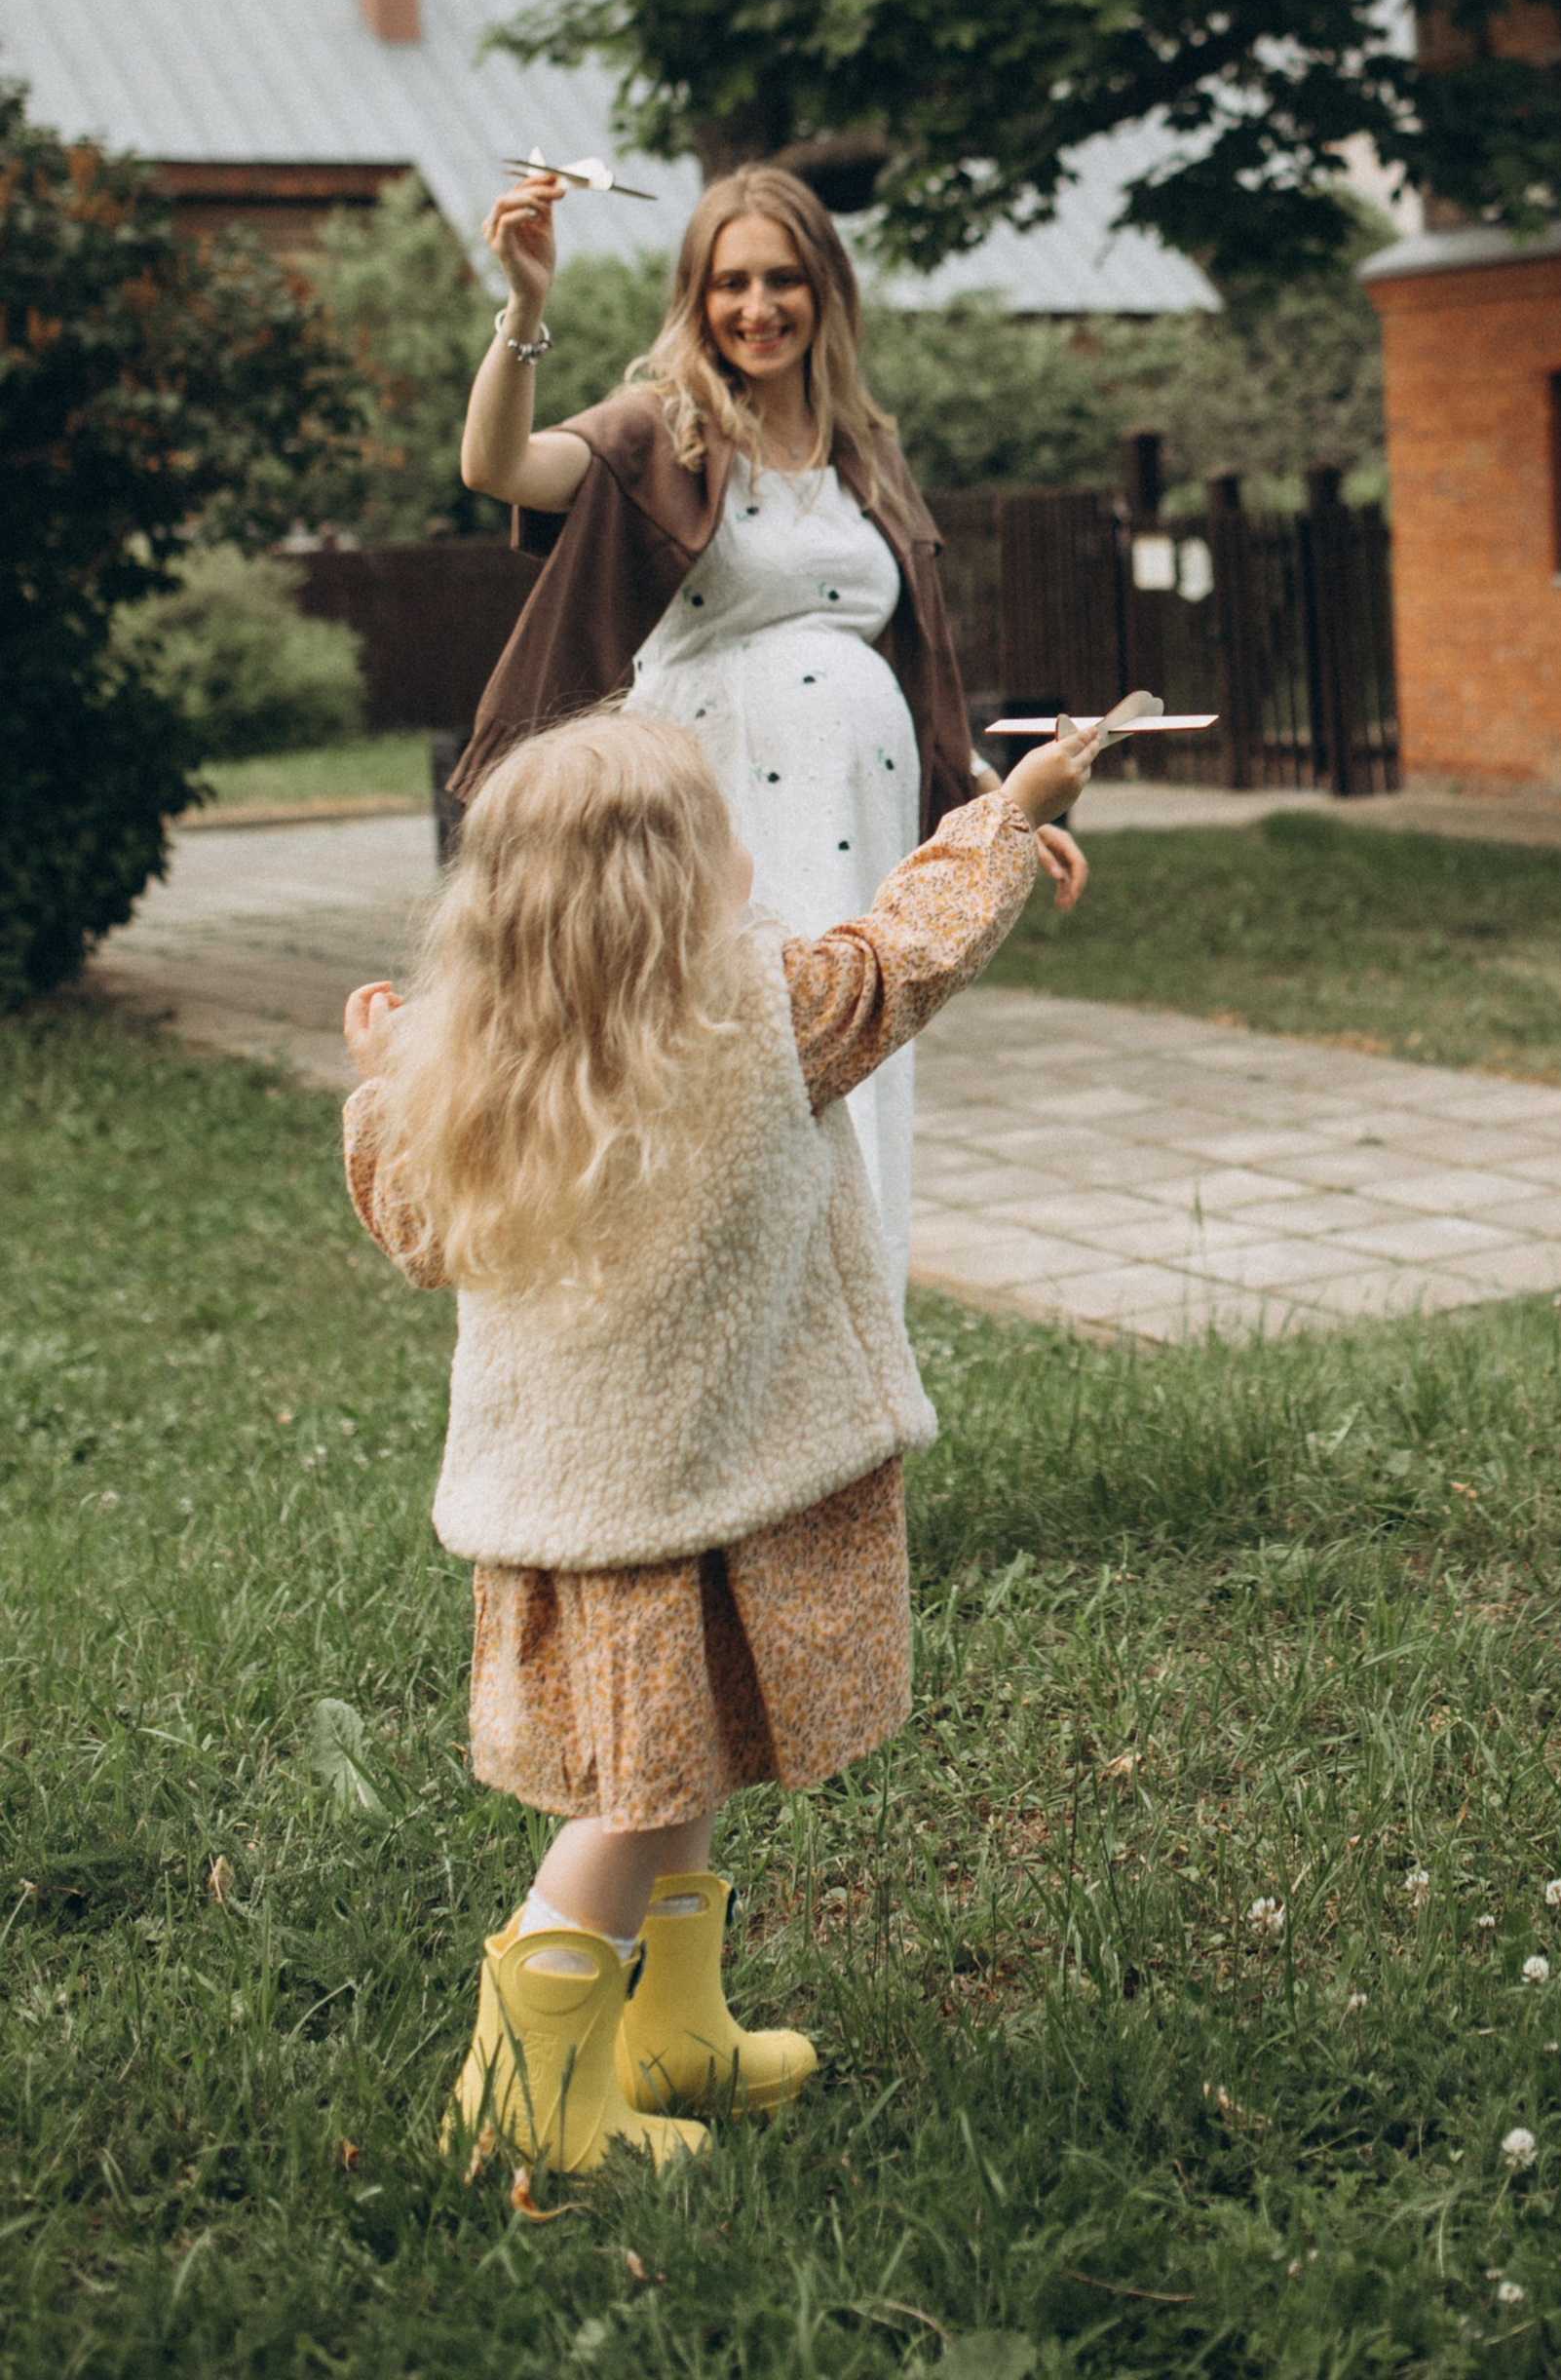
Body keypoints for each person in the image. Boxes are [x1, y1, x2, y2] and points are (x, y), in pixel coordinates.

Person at [341, 701, 1104, 2177]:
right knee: (636, 1800)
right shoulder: (763, 1012)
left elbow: (415, 1237)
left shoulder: (472, 1062)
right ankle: (526, 2095)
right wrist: (1013, 810)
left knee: (679, 1768)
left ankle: (673, 2029)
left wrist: (381, 1083)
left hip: (582, 1508)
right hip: (685, 1494)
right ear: (681, 886)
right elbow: (910, 949)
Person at [453, 161, 1086, 1287]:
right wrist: (525, 306)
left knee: (859, 1029)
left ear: (824, 288)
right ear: (697, 296)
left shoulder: (865, 450)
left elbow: (916, 663)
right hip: (720, 801)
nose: (757, 306)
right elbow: (497, 466)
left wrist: (996, 810)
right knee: (739, 1046)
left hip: (862, 809)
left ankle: (854, 1329)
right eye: (730, 282)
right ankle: (717, 1310)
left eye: (782, 278)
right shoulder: (663, 431)